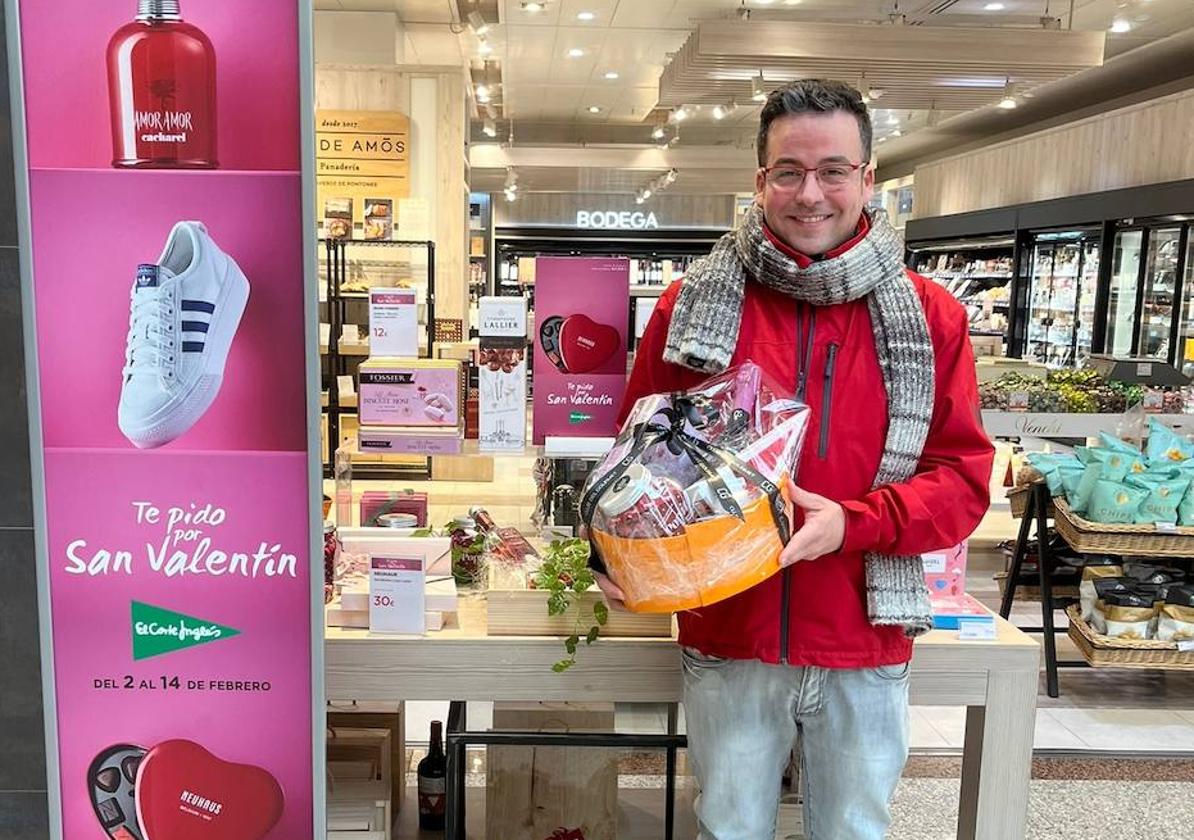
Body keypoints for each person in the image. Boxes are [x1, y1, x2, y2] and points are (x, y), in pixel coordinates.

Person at [592, 79, 995, 840]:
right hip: (732, 635)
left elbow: (964, 479)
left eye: (834, 170)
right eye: (789, 172)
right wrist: (612, 548)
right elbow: (635, 457)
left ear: (868, 178)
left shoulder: (930, 317)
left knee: (854, 830)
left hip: (861, 636)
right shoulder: (693, 305)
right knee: (730, 826)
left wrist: (854, 523)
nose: (811, 193)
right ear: (760, 181)